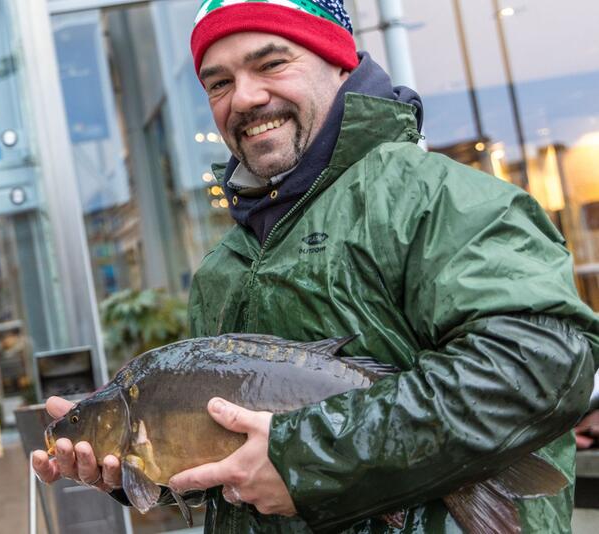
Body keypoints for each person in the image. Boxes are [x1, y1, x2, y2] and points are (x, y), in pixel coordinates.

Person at [33, 0, 599, 532]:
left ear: (339, 63)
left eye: (271, 64)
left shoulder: (438, 198)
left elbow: (540, 365)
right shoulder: (223, 268)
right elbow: (237, 465)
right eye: (219, 83)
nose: (245, 98)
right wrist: (135, 462)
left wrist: (300, 457)